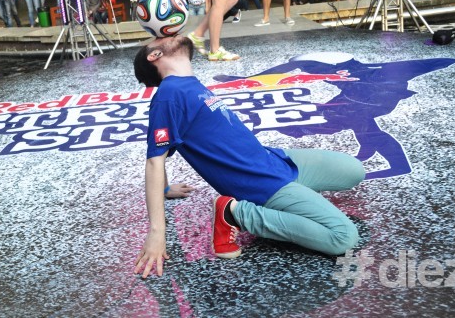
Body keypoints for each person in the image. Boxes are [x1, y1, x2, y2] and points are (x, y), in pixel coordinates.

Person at [132, 35, 365, 279]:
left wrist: (165, 188)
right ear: (154, 55)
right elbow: (154, 159)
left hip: (276, 161)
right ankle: (235, 213)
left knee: (354, 170)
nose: (171, 31)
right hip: (261, 183)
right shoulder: (169, 94)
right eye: (160, 36)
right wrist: (157, 233)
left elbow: (167, 145)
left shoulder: (188, 83)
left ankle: (293, 205)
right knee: (343, 238)